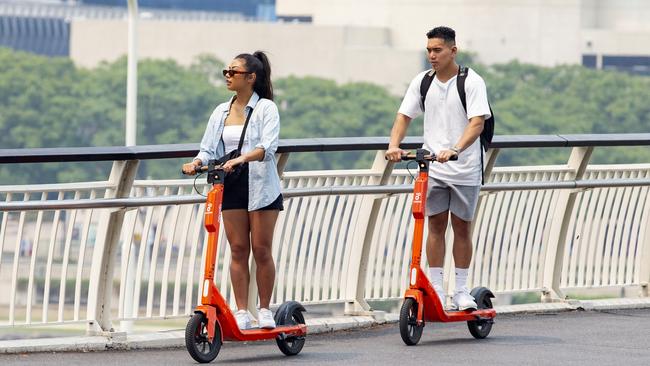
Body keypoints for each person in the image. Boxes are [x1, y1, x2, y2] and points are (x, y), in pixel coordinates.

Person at [385, 26, 491, 310]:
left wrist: (455, 148)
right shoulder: (423, 82)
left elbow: (477, 122)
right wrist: (394, 145)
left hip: (464, 166)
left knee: (462, 228)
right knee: (434, 226)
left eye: (438, 50)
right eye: (429, 50)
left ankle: (460, 290)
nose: (432, 55)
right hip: (433, 167)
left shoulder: (471, 82)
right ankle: (435, 288)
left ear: (452, 51)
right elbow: (403, 115)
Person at [182, 51, 283, 329]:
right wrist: (197, 162)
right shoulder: (221, 111)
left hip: (261, 185)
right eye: (226, 71)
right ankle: (240, 311)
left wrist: (241, 158)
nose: (228, 76)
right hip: (232, 183)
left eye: (233, 72)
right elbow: (208, 147)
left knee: (261, 250)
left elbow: (267, 148)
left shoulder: (266, 109)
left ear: (251, 78)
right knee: (238, 249)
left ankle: (264, 309)